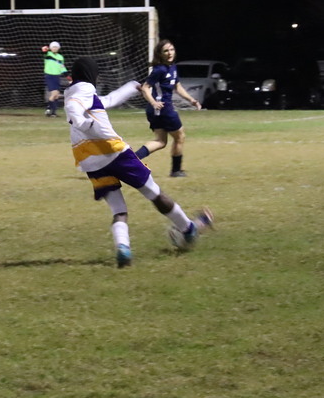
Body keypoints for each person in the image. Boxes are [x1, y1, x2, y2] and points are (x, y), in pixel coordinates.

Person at [63, 56, 213, 268]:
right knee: (154, 193)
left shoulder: (78, 92)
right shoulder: (83, 90)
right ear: (90, 74)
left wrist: (131, 86)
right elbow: (74, 109)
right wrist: (84, 123)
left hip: (91, 161)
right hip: (114, 152)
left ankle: (123, 248)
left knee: (118, 209)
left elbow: (108, 100)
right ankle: (188, 230)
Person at [135, 39, 201, 177]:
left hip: (157, 110)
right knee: (180, 136)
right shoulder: (159, 70)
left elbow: (177, 86)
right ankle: (176, 170)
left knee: (160, 141)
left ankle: (131, 160)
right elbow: (145, 88)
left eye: (171, 49)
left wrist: (191, 100)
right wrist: (153, 102)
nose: (170, 53)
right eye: (166, 51)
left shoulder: (172, 67)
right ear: (160, 54)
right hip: (163, 109)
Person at [41, 40, 68, 117]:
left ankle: (53, 112)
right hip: (49, 76)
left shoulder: (60, 57)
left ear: (58, 48)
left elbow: (62, 68)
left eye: (56, 47)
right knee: (54, 93)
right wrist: (45, 49)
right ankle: (49, 109)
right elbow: (44, 52)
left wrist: (68, 77)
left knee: (57, 95)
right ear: (50, 48)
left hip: (57, 77)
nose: (55, 48)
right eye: (53, 47)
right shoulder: (48, 54)